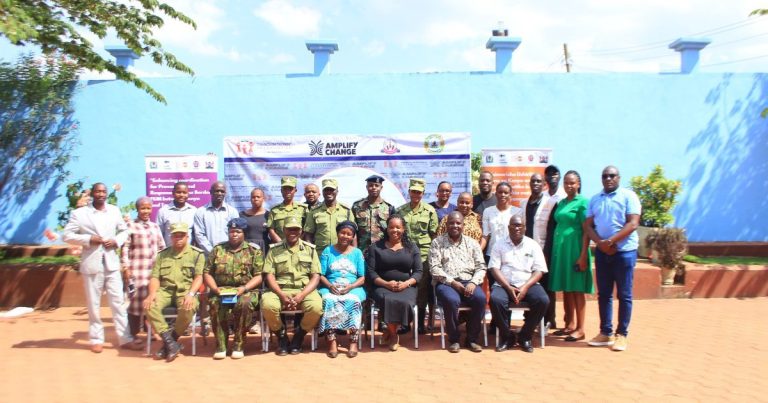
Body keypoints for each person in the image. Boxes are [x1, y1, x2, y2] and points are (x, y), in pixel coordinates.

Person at [63, 182, 137, 353]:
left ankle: (125, 338)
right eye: (98, 191)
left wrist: (117, 241)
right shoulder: (80, 214)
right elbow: (67, 235)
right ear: (93, 194)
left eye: (104, 191)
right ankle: (96, 339)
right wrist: (89, 239)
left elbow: (124, 230)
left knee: (118, 302)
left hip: (111, 263)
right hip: (92, 263)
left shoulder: (114, 210)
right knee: (94, 304)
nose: (101, 194)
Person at [584, 166, 641, 352]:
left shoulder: (628, 196)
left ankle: (622, 334)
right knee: (604, 294)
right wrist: (600, 244)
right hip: (602, 252)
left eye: (612, 176)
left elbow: (632, 223)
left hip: (624, 252)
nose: (608, 179)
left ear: (619, 177)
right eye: (605, 176)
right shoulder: (595, 199)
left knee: (624, 295)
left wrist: (610, 241)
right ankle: (605, 332)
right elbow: (587, 225)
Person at [261, 216, 323, 356]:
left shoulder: (310, 250)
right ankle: (281, 336)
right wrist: (281, 295)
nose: (292, 232)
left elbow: (315, 276)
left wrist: (301, 295)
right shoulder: (274, 250)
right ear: (283, 230)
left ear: (301, 231)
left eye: (296, 229)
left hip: (303, 290)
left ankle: (299, 336)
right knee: (267, 305)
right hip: (279, 290)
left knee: (316, 307)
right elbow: (269, 275)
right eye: (289, 229)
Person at [143, 222, 205, 362]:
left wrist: (191, 294)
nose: (178, 238)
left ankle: (169, 344)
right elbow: (155, 277)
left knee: (188, 307)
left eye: (181, 235)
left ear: (187, 236)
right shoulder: (162, 255)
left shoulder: (196, 254)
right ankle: (171, 344)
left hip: (185, 291)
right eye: (175, 236)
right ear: (171, 237)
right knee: (149, 305)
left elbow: (198, 277)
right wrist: (152, 294)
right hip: (165, 291)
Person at [203, 218, 264, 359]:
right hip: (221, 289)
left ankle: (238, 344)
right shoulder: (218, 249)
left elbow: (260, 275)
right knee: (214, 303)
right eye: (231, 231)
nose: (234, 234)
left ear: (244, 233)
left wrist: (244, 288)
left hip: (246, 290)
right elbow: (207, 273)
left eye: (238, 231)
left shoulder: (253, 251)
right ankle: (221, 346)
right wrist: (215, 289)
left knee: (244, 303)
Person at [489, 215, 550, 353]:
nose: (517, 228)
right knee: (495, 300)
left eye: (519, 225)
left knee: (543, 300)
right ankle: (507, 337)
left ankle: (525, 336)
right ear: (509, 227)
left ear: (524, 228)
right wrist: (508, 287)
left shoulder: (533, 245)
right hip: (504, 284)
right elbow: (494, 268)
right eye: (514, 225)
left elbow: (539, 270)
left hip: (527, 283)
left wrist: (525, 287)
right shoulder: (499, 244)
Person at [429, 211, 487, 353]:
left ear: (463, 225)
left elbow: (481, 267)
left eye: (458, 223)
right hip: (446, 283)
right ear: (446, 225)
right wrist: (452, 283)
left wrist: (474, 282)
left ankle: (471, 339)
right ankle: (454, 339)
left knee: (480, 299)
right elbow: (434, 268)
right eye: (451, 223)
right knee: (451, 300)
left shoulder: (472, 243)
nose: (455, 225)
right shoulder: (437, 242)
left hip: (469, 281)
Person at [366, 214, 422, 351]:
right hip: (381, 285)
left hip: (406, 285)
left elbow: (418, 271)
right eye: (391, 227)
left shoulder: (412, 247)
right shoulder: (375, 247)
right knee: (389, 299)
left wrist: (406, 283)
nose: (394, 230)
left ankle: (389, 330)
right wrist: (386, 284)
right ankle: (393, 334)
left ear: (403, 229)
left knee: (406, 302)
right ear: (387, 229)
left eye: (398, 227)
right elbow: (371, 272)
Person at [548, 170, 593, 342]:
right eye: (566, 182)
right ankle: (569, 324)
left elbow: (587, 231)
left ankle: (581, 328)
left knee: (576, 289)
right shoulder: (561, 202)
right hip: (561, 251)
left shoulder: (582, 203)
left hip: (575, 250)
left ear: (578, 184)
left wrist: (582, 256)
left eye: (572, 182)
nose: (569, 185)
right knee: (566, 288)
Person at [120, 197, 166, 347]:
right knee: (135, 303)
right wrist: (126, 267)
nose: (145, 211)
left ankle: (150, 330)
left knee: (151, 301)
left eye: (148, 208)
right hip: (137, 271)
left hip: (153, 272)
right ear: (137, 209)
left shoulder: (155, 227)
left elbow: (161, 248)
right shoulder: (131, 226)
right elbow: (125, 248)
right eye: (142, 208)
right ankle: (132, 334)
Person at [318, 221, 366, 358]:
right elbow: (321, 275)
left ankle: (353, 341)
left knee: (354, 301)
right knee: (328, 300)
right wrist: (330, 286)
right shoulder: (328, 251)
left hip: (352, 287)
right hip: (330, 286)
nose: (345, 236)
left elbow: (362, 278)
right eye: (342, 233)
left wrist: (350, 287)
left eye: (349, 234)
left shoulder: (357, 253)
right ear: (337, 233)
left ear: (353, 237)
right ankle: (332, 341)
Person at [396, 178, 438, 333]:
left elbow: (434, 235)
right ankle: (405, 323)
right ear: (409, 192)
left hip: (424, 256)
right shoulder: (400, 211)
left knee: (422, 290)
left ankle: (420, 323)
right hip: (404, 256)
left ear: (423, 194)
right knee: (405, 289)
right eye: (413, 191)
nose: (416, 194)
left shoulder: (430, 211)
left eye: (419, 192)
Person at [520, 173, 559, 329]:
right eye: (533, 181)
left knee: (545, 286)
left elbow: (551, 231)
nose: (535, 183)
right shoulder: (523, 203)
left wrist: (547, 253)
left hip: (543, 251)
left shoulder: (551, 203)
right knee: (528, 284)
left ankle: (549, 320)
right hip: (525, 253)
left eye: (539, 181)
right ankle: (530, 319)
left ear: (544, 185)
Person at [303, 178, 355, 254]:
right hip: (320, 254)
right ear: (323, 192)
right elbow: (308, 235)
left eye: (332, 190)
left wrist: (354, 253)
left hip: (342, 254)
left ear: (337, 191)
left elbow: (353, 234)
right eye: (326, 190)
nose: (329, 192)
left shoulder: (346, 210)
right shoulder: (314, 211)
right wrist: (311, 253)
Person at [193, 181, 239, 255]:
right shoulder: (201, 212)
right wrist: (213, 252)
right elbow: (199, 235)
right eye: (217, 191)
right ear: (211, 192)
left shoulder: (232, 212)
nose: (220, 193)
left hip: (228, 255)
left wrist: (226, 252)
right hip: (208, 256)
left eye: (222, 191)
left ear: (225, 193)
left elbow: (235, 233)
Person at [351, 174, 395, 252]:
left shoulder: (389, 208)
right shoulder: (357, 206)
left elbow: (392, 231)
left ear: (381, 187)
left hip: (382, 250)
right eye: (371, 185)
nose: (374, 188)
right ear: (366, 187)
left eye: (376, 185)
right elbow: (352, 230)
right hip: (362, 250)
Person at [482, 182, 522, 263]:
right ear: (496, 194)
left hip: (511, 254)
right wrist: (478, 251)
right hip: (492, 254)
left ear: (510, 195)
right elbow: (485, 235)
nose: (503, 195)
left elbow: (521, 235)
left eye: (506, 193)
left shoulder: (518, 212)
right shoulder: (488, 211)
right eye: (500, 192)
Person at [267, 176, 309, 243]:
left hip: (298, 248)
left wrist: (296, 243)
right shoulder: (274, 210)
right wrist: (281, 244)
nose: (287, 192)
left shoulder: (303, 209)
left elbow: (306, 229)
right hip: (279, 248)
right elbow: (271, 230)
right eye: (285, 189)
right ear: (281, 190)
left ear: (295, 190)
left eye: (290, 189)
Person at [156, 181, 197, 246]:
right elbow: (159, 235)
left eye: (184, 192)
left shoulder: (194, 211)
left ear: (188, 194)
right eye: (178, 192)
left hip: (189, 253)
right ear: (173, 193)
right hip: (168, 253)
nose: (181, 195)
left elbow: (196, 235)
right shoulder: (163, 211)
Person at [239, 187, 270, 253]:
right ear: (250, 199)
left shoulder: (269, 215)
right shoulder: (242, 215)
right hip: (246, 248)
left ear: (263, 199)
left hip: (263, 248)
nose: (256, 199)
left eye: (258, 197)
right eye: (253, 197)